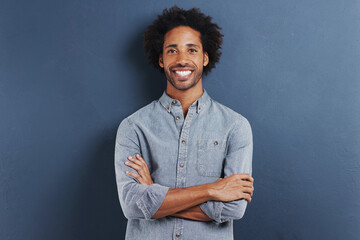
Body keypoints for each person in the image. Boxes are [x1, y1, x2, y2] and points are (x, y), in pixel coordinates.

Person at [115, 5, 254, 240]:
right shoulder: (133, 127)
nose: (182, 60)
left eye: (191, 50)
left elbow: (233, 208)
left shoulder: (236, 127)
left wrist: (154, 197)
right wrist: (212, 190)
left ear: (205, 57)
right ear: (161, 59)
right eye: (172, 51)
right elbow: (132, 206)